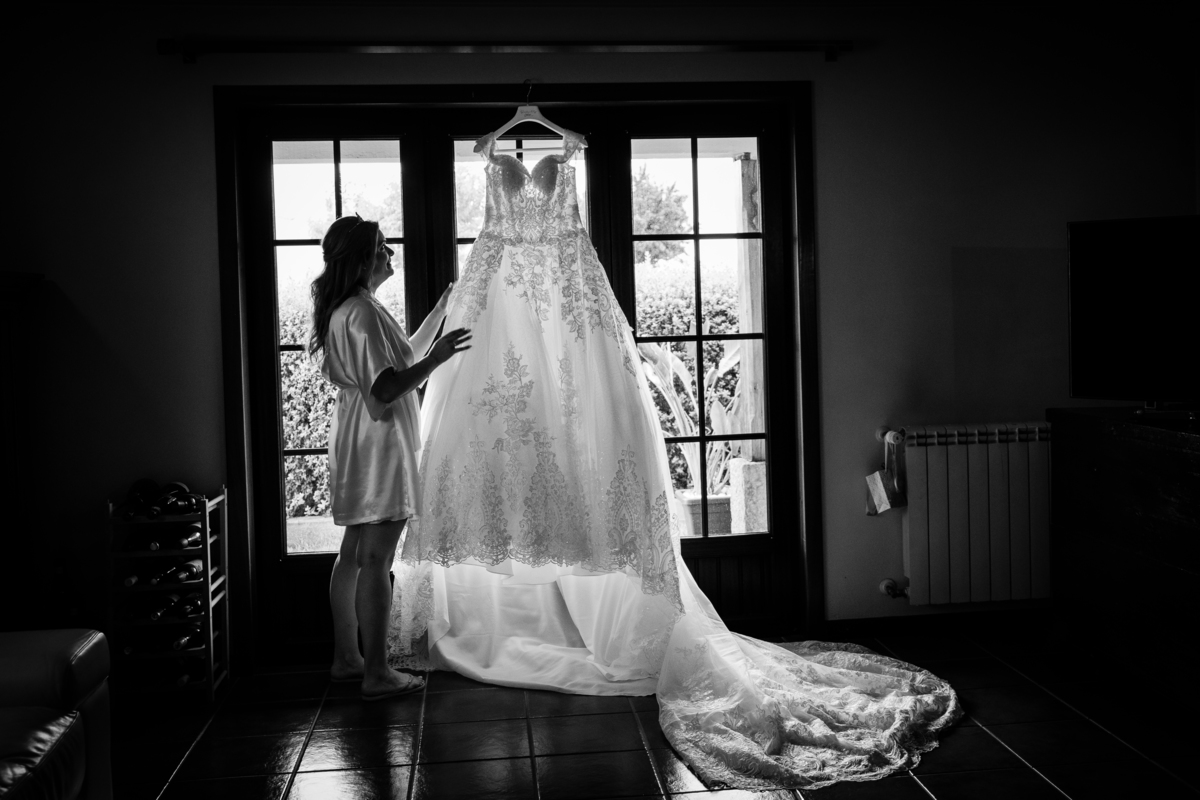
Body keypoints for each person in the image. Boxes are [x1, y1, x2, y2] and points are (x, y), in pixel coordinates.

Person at [388, 126, 959, 791]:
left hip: (568, 309)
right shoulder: (499, 161)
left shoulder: (559, 158)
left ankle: (604, 627)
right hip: (500, 319)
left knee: (582, 441)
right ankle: (502, 620)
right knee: (509, 454)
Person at [310, 214, 470, 701]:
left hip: (357, 434)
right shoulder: (360, 312)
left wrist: (440, 313)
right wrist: (438, 359)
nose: (390, 253)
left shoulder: (353, 308)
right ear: (362, 259)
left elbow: (400, 360)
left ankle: (347, 658)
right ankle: (377, 672)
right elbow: (385, 386)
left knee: (353, 554)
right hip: (379, 441)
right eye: (382, 246)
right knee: (376, 558)